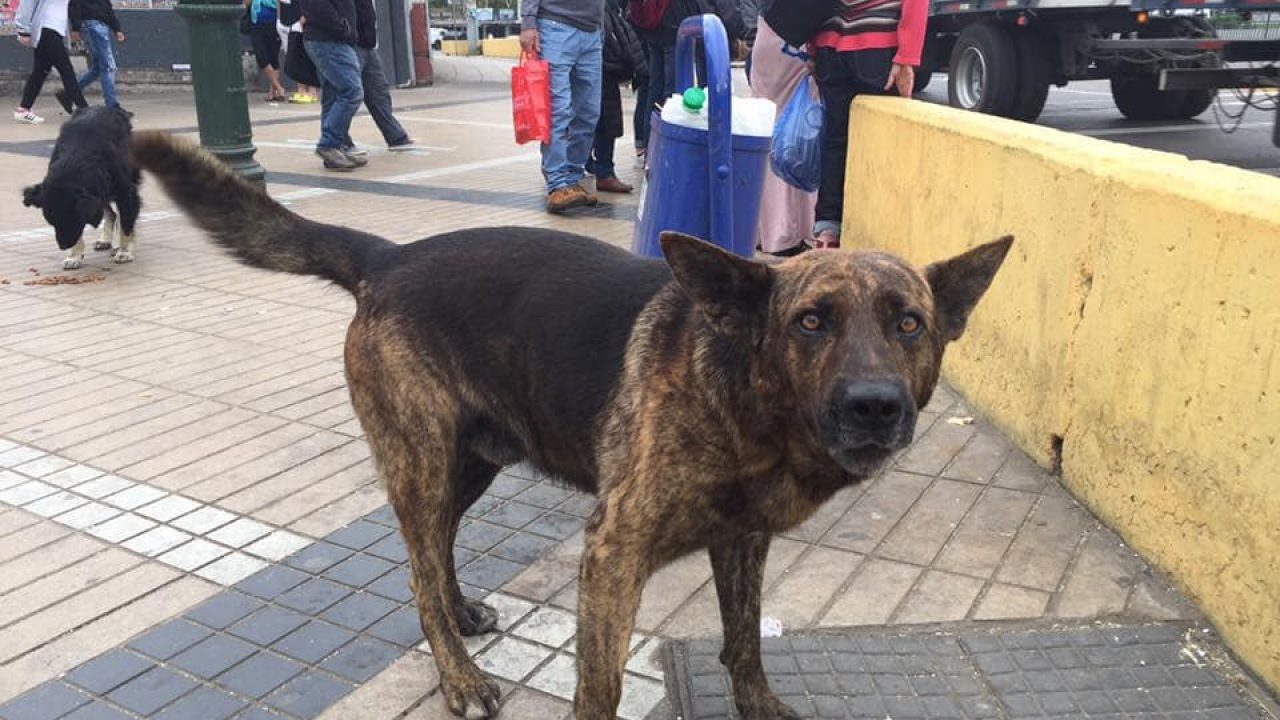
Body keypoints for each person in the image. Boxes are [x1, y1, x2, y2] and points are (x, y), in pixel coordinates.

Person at [808, 0, 925, 248]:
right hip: (876, 44)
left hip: (830, 43)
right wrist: (906, 56)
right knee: (884, 144)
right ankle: (875, 233)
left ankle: (828, 229)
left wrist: (812, 47)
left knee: (836, 141)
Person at [519, 0, 605, 213]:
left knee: (589, 112)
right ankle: (557, 183)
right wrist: (529, 23)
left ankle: (572, 178)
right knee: (558, 110)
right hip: (555, 27)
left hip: (592, 32)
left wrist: (601, 27)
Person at [751, 15, 814, 256]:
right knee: (798, 135)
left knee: (769, 130)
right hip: (794, 46)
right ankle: (789, 229)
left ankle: (765, 230)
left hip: (767, 38)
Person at [342, 0, 420, 155]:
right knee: (348, 94)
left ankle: (395, 136)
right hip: (350, 44)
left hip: (368, 45)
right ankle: (340, 140)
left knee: (379, 93)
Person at [588, 0, 646, 193]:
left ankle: (603, 170)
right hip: (587, 33)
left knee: (607, 112)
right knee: (582, 112)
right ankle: (592, 169)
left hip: (604, 36)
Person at [301, 0, 366, 171]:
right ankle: (330, 144)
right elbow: (318, 7)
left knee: (333, 94)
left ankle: (336, 148)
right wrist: (343, 28)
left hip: (329, 39)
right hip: (329, 40)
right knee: (351, 91)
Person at [13, 0, 89, 124]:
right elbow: (28, 2)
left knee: (40, 71)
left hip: (55, 31)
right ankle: (84, 109)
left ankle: (23, 109)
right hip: (47, 30)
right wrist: (23, 30)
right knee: (66, 70)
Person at [62, 0, 125, 110]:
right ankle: (112, 106)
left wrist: (117, 29)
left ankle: (69, 93)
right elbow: (76, 4)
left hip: (93, 24)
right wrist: (116, 28)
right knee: (108, 67)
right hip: (93, 24)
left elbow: (106, 6)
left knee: (98, 67)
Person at [245, 0, 288, 101]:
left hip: (274, 23)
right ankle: (279, 87)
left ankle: (272, 92)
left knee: (273, 57)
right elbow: (246, 4)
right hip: (256, 24)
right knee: (262, 57)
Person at [278, 0, 318, 103]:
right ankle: (301, 90)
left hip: (301, 21)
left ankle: (312, 91)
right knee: (295, 57)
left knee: (307, 56)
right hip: (286, 22)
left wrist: (304, 18)